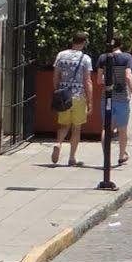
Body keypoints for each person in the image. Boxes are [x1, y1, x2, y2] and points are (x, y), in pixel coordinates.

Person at [48, 33, 92, 168]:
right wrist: (90, 101)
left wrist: (57, 91)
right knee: (76, 127)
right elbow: (87, 81)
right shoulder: (85, 59)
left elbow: (55, 76)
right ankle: (72, 158)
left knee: (64, 125)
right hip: (78, 96)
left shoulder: (61, 55)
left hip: (64, 95)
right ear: (84, 43)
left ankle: (58, 143)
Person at [99, 35, 132, 170]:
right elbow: (128, 76)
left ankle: (106, 158)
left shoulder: (103, 58)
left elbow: (99, 80)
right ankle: (121, 155)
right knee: (122, 129)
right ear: (120, 44)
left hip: (107, 97)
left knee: (106, 128)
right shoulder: (127, 58)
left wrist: (110, 82)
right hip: (122, 98)